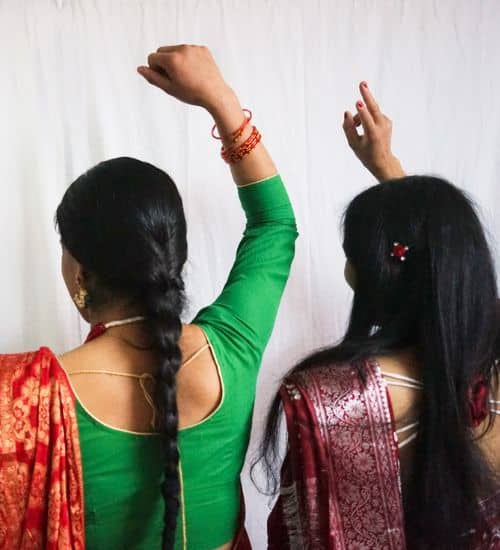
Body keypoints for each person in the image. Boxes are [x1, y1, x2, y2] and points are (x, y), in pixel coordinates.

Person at [0, 45, 297, 549]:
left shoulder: (24, 398)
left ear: (81, 273)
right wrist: (219, 100)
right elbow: (275, 224)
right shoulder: (231, 349)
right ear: (174, 255)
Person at [260, 83, 500, 549]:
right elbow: (450, 271)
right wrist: (388, 169)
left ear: (366, 277)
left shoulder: (332, 398)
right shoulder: (486, 364)